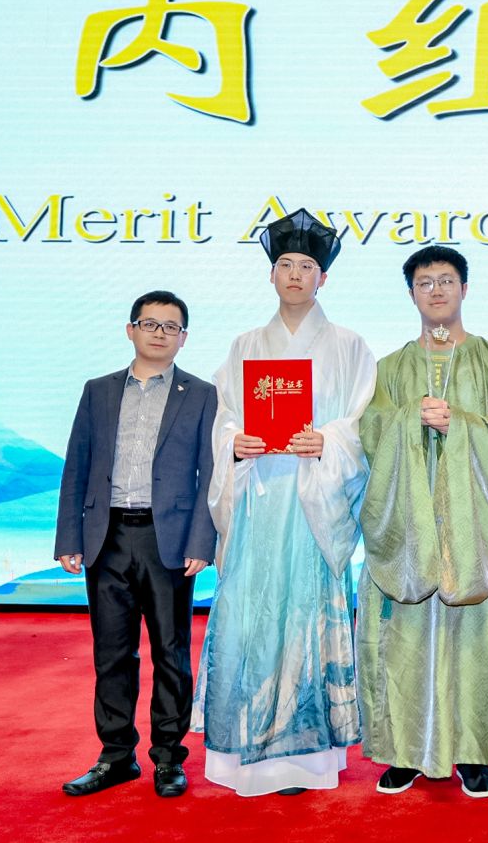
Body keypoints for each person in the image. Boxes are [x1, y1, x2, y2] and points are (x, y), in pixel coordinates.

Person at [201, 210, 377, 797]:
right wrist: (234, 443)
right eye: (285, 264)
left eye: (306, 266)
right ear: (271, 275)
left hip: (311, 505)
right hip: (258, 501)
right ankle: (245, 758)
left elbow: (363, 423)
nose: (296, 274)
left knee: (305, 616)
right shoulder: (244, 346)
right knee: (251, 618)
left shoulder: (349, 347)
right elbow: (225, 419)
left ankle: (310, 757)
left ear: (323, 277)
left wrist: (328, 439)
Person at [356, 246, 488, 798]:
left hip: (475, 534)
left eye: (446, 280)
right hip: (409, 530)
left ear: (464, 289)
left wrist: (462, 423)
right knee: (404, 641)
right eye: (425, 281)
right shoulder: (390, 369)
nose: (436, 290)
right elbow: (370, 433)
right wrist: (410, 418)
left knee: (478, 641)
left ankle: (476, 751)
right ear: (411, 293)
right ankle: (404, 751)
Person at [54, 291, 218, 799]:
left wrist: (202, 540)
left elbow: (209, 472)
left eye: (171, 327)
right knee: (112, 654)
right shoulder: (98, 391)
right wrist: (69, 536)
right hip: (106, 537)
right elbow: (77, 465)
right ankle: (115, 756)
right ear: (130, 330)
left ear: (184, 338)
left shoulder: (202, 394)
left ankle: (168, 757)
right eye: (150, 324)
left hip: (167, 540)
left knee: (171, 653)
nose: (159, 333)